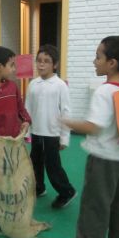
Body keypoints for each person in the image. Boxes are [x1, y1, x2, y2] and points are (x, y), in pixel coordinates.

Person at [56, 36, 119, 238]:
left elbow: (94, 127)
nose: (94, 62)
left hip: (105, 162)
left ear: (111, 63)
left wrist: (65, 121)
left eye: (98, 57)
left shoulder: (105, 92)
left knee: (95, 208)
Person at [25, 45, 77, 209]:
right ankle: (39, 188)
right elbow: (28, 109)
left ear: (55, 65)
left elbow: (66, 111)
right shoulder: (33, 84)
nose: (41, 64)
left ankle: (66, 191)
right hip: (37, 132)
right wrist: (27, 131)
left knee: (53, 166)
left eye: (46, 61)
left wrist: (64, 137)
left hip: (52, 134)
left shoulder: (60, 85)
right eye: (39, 61)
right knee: (35, 163)